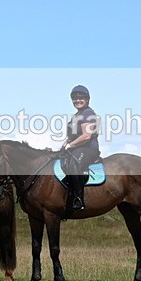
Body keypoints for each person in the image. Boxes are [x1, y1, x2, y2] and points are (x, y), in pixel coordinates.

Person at [61, 85, 101, 213]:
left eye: (81, 98)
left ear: (87, 99)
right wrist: (64, 144)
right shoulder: (76, 115)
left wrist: (70, 145)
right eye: (75, 98)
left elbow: (86, 136)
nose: (77, 100)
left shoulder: (88, 113)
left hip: (88, 148)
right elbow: (72, 136)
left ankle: (78, 199)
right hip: (76, 147)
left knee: (73, 164)